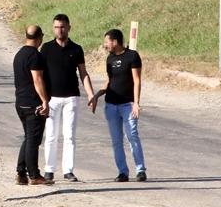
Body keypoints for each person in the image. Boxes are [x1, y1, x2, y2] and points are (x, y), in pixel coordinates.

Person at [40, 13, 95, 183]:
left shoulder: (76, 49)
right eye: (56, 27)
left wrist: (91, 94)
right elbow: (39, 75)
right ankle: (49, 169)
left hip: (71, 97)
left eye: (62, 27)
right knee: (50, 135)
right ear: (53, 28)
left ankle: (68, 170)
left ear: (69, 27)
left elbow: (83, 73)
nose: (60, 30)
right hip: (52, 99)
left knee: (69, 135)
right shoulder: (46, 49)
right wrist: (41, 98)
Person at [88, 29, 146, 183]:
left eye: (106, 41)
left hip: (128, 105)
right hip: (111, 105)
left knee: (132, 135)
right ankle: (122, 172)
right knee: (116, 140)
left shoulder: (132, 56)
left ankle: (140, 170)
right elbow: (109, 81)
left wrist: (136, 103)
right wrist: (96, 96)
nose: (105, 45)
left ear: (115, 41)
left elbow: (137, 80)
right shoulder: (110, 59)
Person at [13, 25, 51, 186]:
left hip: (20, 102)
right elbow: (37, 79)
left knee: (28, 138)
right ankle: (34, 175)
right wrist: (44, 101)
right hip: (33, 104)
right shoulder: (35, 56)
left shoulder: (19, 54)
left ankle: (21, 173)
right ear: (40, 37)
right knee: (33, 140)